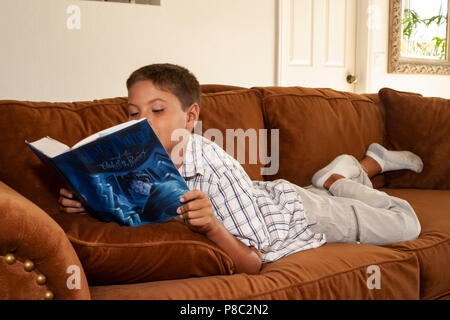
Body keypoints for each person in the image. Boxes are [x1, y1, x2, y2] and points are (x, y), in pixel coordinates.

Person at [58, 63, 423, 275]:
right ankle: (332, 178)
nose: (142, 123)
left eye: (157, 110)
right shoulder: (134, 159)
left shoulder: (212, 167)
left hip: (305, 214)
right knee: (314, 191)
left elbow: (251, 264)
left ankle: (341, 177)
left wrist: (212, 226)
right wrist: (88, 196)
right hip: (270, 197)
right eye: (134, 113)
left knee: (406, 221)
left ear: (191, 116)